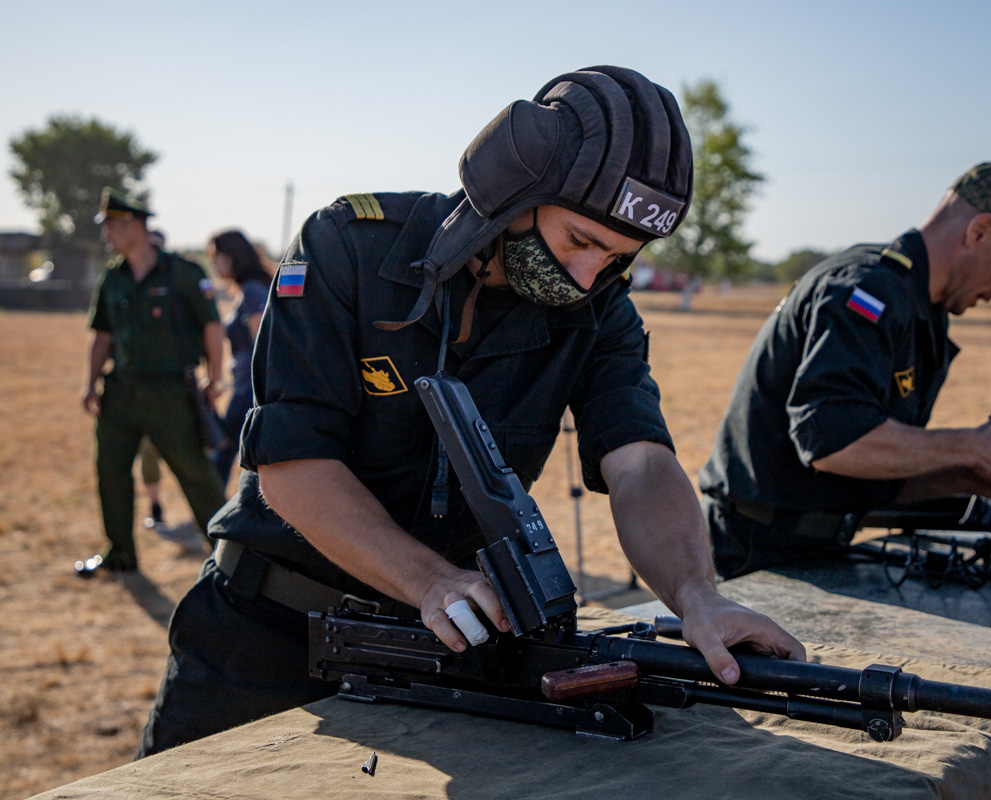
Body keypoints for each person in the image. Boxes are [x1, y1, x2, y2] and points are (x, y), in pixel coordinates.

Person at [137, 66, 806, 757]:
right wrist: (431, 580)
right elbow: (293, 467)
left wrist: (697, 596)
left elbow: (639, 462)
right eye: (579, 241)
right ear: (516, 186)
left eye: (616, 258)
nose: (586, 277)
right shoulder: (349, 247)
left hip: (438, 653)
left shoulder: (602, 310)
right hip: (263, 637)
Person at [699, 163, 991, 579]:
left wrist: (967, 477)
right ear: (979, 231)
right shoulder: (868, 288)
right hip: (749, 554)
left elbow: (873, 466)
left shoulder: (923, 309)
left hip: (815, 548)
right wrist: (974, 446)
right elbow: (833, 442)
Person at [76, 188, 230, 576]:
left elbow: (212, 327)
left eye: (111, 225)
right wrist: (89, 384)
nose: (106, 233)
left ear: (134, 225)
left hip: (171, 394)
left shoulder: (183, 273)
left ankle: (231, 558)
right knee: (110, 471)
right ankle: (120, 554)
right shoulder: (113, 278)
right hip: (120, 392)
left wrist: (215, 378)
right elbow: (102, 335)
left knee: (195, 475)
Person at [207, 229, 273, 488]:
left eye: (217, 256)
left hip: (250, 389)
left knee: (222, 454)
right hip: (246, 386)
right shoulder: (250, 289)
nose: (213, 263)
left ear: (232, 256)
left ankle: (210, 511)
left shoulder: (253, 291)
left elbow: (264, 344)